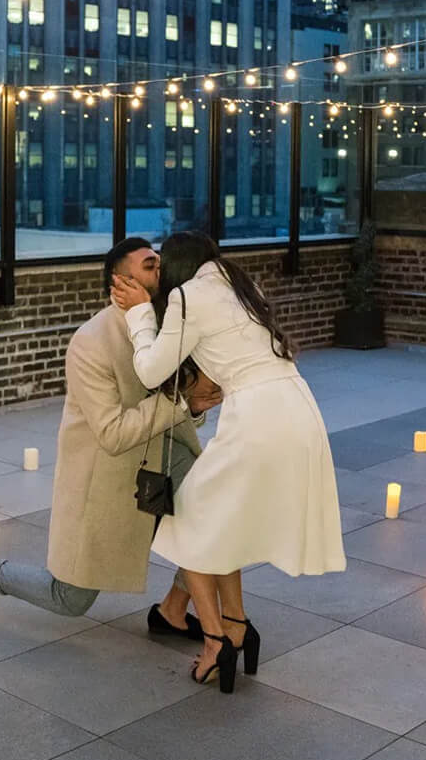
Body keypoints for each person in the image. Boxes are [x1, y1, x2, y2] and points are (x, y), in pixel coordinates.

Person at [0, 237, 223, 635]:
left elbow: (181, 409)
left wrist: (195, 406)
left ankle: (172, 610)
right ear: (120, 282)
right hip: (107, 475)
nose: (160, 270)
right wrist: (182, 401)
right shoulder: (91, 343)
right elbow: (112, 434)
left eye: (159, 263)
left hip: (163, 454)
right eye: (148, 265)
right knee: (69, 599)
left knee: (217, 509)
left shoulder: (169, 325)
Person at [112, 230, 344, 693]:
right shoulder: (242, 287)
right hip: (298, 405)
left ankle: (217, 642)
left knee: (187, 524)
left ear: (177, 267)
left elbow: (151, 370)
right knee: (220, 525)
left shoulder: (186, 296)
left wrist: (140, 314)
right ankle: (236, 626)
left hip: (257, 417)